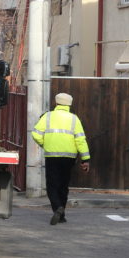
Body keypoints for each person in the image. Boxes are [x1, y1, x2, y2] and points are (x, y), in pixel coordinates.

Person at [31, 92, 91, 225]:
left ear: (56, 103)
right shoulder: (74, 119)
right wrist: (85, 160)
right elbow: (81, 140)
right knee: (63, 186)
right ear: (69, 104)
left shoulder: (47, 116)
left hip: (52, 156)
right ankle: (62, 215)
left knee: (52, 185)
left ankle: (57, 207)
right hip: (69, 158)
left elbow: (35, 134)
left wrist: (44, 144)